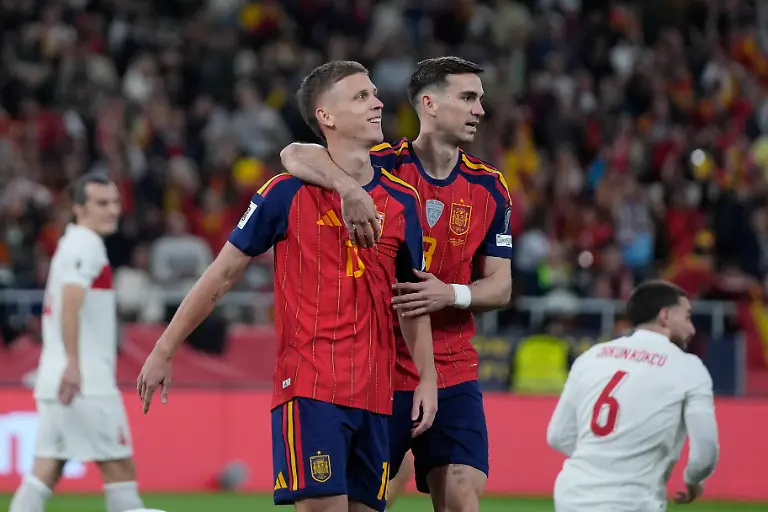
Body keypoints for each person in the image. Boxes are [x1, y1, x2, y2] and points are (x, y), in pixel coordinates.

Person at [137, 60, 438, 512]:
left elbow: (411, 300)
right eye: (361, 96)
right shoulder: (286, 192)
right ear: (326, 116)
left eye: (375, 93)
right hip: (312, 387)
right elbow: (221, 273)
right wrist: (164, 348)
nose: (378, 101)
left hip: (378, 394)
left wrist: (427, 379)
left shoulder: (403, 200)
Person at [280, 56, 513, 511]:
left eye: (480, 100)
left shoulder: (491, 188)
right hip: (377, 369)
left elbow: (501, 287)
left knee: (462, 490)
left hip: (452, 367)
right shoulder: (379, 164)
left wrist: (452, 294)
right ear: (429, 104)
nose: (479, 110)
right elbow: (293, 154)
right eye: (467, 98)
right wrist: (348, 189)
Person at [11, 173, 145, 512]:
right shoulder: (86, 244)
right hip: (86, 383)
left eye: (115, 202)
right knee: (121, 474)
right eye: (102, 203)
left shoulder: (71, 243)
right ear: (78, 208)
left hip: (58, 379)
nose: (113, 209)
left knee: (46, 471)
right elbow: (71, 299)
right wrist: (74, 363)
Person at [547, 280, 720, 511]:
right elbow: (705, 452)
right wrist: (693, 480)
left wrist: (604, 460)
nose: (692, 329)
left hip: (572, 497)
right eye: (687, 317)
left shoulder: (592, 356)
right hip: (633, 501)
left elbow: (558, 435)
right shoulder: (688, 367)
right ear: (665, 315)